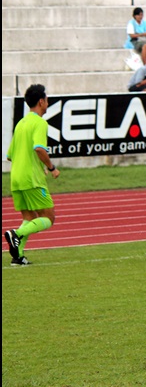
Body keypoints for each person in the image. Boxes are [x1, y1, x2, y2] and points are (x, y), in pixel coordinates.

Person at [4, 84, 60, 266]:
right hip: (31, 179)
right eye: (47, 100)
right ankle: (16, 234)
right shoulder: (40, 123)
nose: (47, 103)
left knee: (29, 219)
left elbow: (10, 155)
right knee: (49, 217)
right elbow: (39, 148)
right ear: (41, 102)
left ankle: (18, 257)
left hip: (16, 178)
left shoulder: (21, 123)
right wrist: (51, 167)